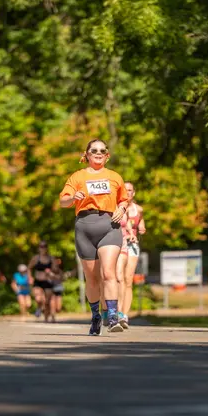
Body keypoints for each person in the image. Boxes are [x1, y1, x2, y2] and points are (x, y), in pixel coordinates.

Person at [59, 138, 128, 335]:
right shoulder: (77, 177)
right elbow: (63, 201)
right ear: (87, 155)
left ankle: (113, 316)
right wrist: (73, 198)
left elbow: (124, 199)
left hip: (109, 226)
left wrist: (122, 208)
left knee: (109, 272)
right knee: (92, 278)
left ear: (107, 156)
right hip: (85, 227)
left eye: (102, 150)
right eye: (94, 150)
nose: (98, 153)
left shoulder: (114, 176)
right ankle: (96, 316)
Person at [121, 182, 146, 326]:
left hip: (132, 245)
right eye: (125, 190)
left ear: (134, 193)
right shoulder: (116, 207)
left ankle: (124, 315)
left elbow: (142, 224)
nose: (127, 193)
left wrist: (141, 229)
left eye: (130, 190)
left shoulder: (139, 210)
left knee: (128, 279)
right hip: (118, 244)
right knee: (119, 279)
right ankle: (114, 312)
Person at [28, 242, 57, 322]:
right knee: (38, 299)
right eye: (41, 246)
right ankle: (39, 307)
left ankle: (46, 318)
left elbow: (56, 270)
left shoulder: (51, 258)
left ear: (47, 248)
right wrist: (30, 277)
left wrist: (51, 270)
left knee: (47, 301)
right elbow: (29, 268)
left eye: (44, 246)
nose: (43, 248)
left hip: (47, 281)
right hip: (38, 281)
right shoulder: (35, 258)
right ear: (38, 248)